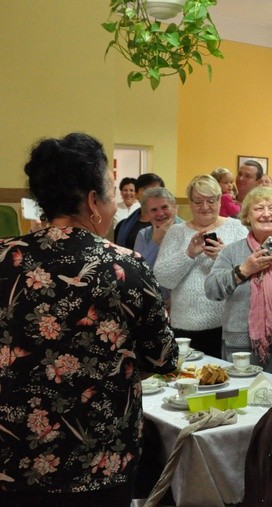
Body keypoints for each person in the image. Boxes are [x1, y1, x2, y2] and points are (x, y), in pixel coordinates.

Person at [0, 133, 177, 506]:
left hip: (12, 453)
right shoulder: (124, 265)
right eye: (112, 194)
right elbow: (163, 356)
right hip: (99, 455)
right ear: (94, 201)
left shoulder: (4, 258)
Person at [205, 186, 272, 370]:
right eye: (259, 209)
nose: (266, 214)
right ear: (247, 217)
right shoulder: (231, 251)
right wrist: (244, 269)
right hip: (239, 343)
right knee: (241, 395)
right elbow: (212, 290)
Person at [154, 175, 248, 358]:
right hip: (184, 326)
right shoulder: (176, 231)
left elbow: (248, 274)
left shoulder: (237, 228)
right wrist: (188, 254)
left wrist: (222, 256)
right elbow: (163, 278)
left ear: (220, 201)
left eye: (211, 201)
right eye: (198, 201)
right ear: (189, 202)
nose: (204, 207)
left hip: (225, 326)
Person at [133, 186, 182, 306]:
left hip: (183, 303)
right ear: (147, 214)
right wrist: (155, 242)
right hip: (154, 302)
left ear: (174, 207)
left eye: (165, 207)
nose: (160, 213)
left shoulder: (189, 231)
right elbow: (136, 272)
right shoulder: (143, 235)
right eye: (154, 210)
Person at [114, 172, 165, 249]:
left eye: (155, 191)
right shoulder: (122, 226)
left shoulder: (169, 226)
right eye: (145, 189)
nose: (151, 194)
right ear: (136, 194)